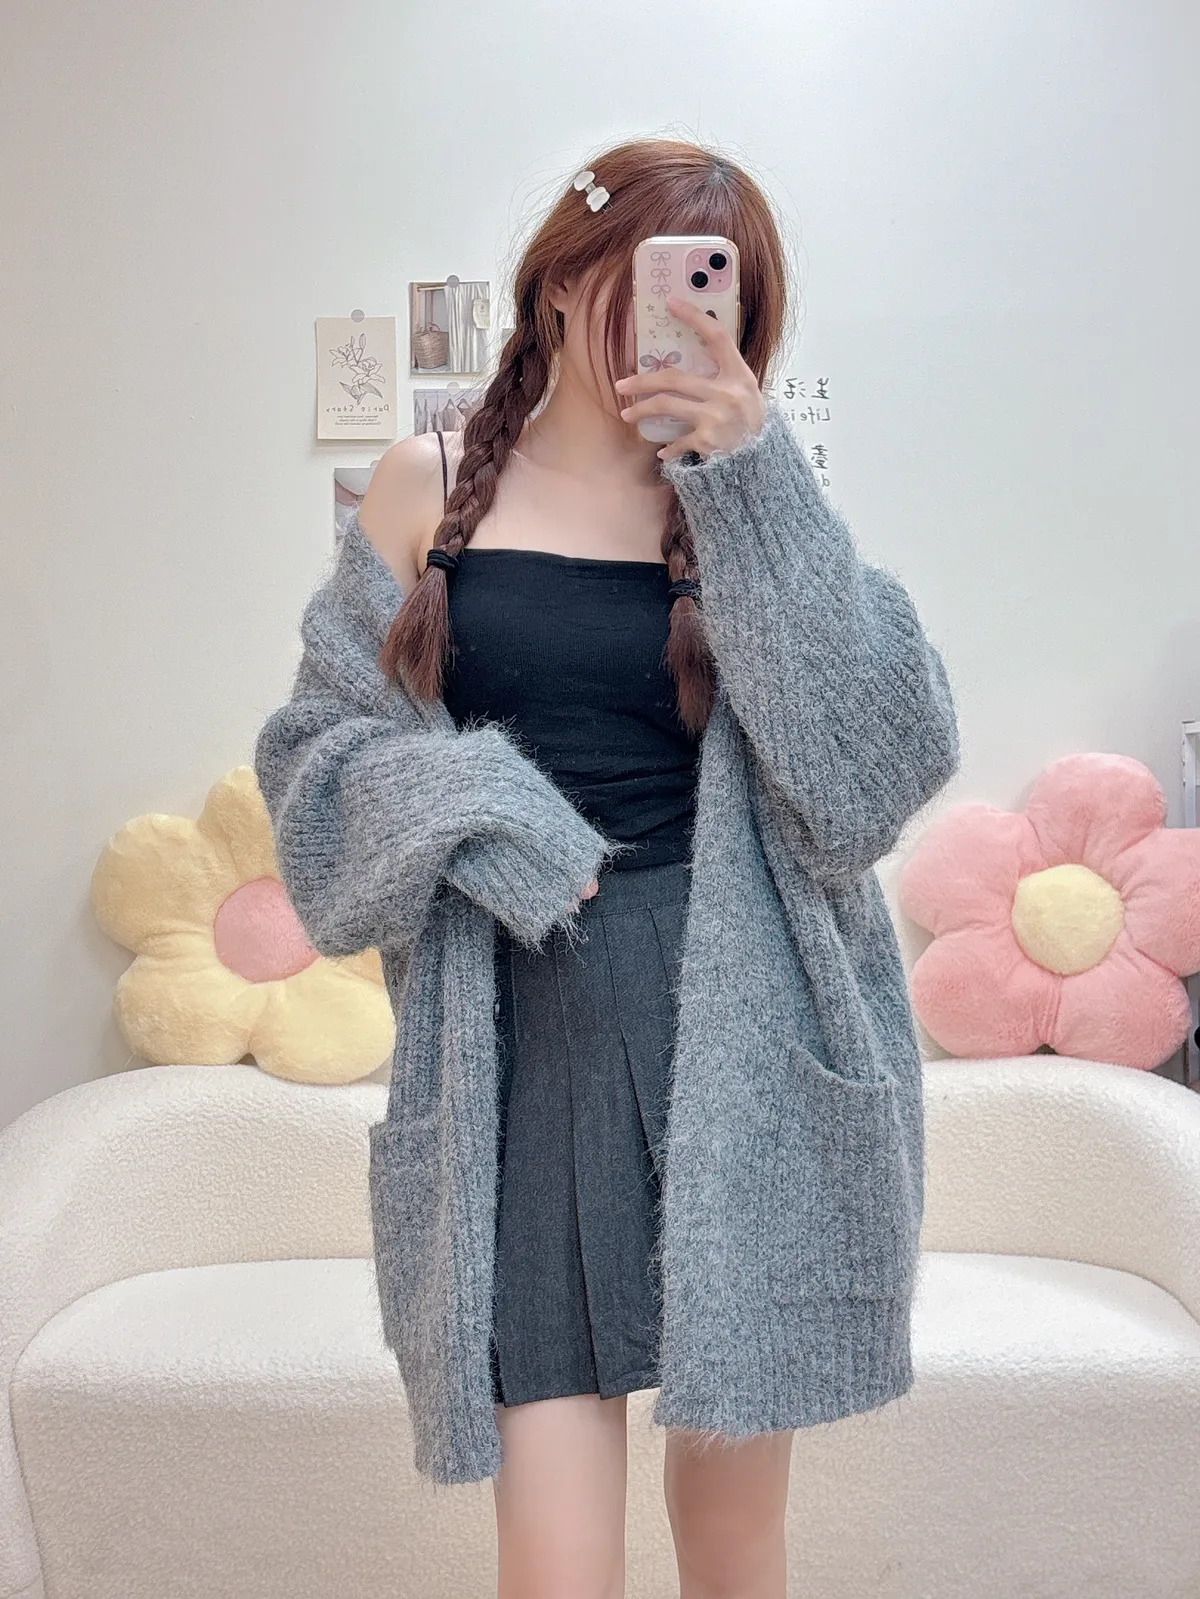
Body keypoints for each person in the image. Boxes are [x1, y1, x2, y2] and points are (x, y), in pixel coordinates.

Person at [256, 135, 960, 1599]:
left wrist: (752, 476)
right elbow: (316, 773)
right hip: (520, 1036)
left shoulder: (753, 501)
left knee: (735, 1543)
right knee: (555, 1563)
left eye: (717, 296)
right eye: (649, 279)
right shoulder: (427, 486)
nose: (673, 321)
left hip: (745, 1032)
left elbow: (869, 779)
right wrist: (501, 820)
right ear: (568, 280)